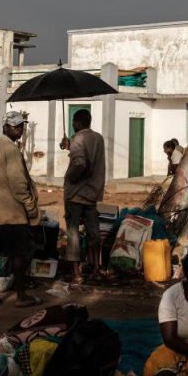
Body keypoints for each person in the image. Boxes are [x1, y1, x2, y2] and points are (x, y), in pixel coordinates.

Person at [0, 111, 41, 308]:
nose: (20, 130)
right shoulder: (11, 150)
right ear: (5, 127)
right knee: (18, 254)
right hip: (11, 210)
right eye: (16, 126)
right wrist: (31, 208)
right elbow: (19, 183)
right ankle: (21, 296)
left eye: (21, 126)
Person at [64, 108, 106, 283]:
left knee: (73, 233)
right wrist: (69, 147)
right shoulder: (98, 138)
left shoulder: (78, 139)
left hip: (75, 195)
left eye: (74, 122)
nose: (73, 125)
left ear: (78, 123)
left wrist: (71, 177)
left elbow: (80, 163)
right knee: (93, 234)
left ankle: (76, 273)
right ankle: (96, 268)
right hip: (92, 194)